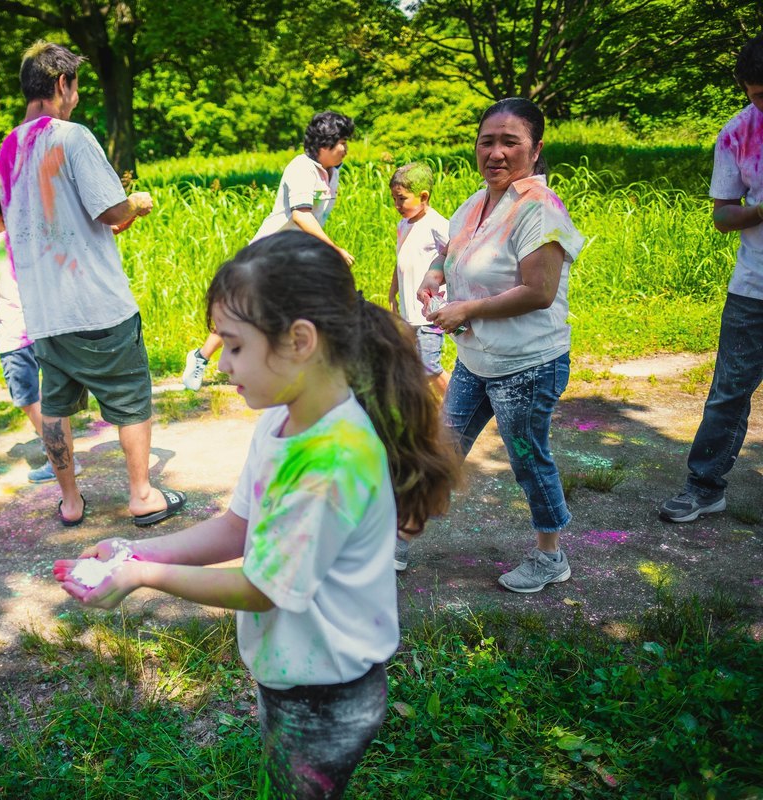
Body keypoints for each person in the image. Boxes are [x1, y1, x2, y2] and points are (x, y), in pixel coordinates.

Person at [55, 231, 460, 799]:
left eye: (235, 346)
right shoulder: (282, 419)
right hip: (296, 676)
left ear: (299, 341)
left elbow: (263, 587)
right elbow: (236, 527)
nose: (223, 365)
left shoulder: (331, 461)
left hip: (327, 695)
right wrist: (138, 551)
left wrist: (143, 578)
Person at [0, 40, 185, 527]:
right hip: (96, 306)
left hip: (43, 311)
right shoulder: (72, 136)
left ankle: (71, 502)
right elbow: (110, 209)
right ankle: (142, 495)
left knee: (56, 404)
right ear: (62, 83)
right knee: (130, 398)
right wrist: (137, 203)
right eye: (75, 87)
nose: (76, 97)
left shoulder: (9, 147)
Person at [416, 97, 585, 592]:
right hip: (477, 357)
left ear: (535, 150)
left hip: (528, 364)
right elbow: (453, 251)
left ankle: (551, 555)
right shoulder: (478, 202)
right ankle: (399, 534)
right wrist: (434, 273)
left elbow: (539, 290)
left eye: (510, 141)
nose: (496, 152)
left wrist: (465, 310)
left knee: (528, 458)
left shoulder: (540, 209)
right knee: (444, 446)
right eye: (487, 141)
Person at [659, 36, 763, 523]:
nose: (762, 104)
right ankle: (703, 486)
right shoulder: (737, 133)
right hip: (753, 289)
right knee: (729, 391)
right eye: (757, 94)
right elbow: (723, 216)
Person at [182, 111, 357, 391]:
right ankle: (201, 357)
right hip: (268, 254)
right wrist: (333, 248)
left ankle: (300, 365)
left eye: (346, 141)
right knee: (242, 310)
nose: (345, 148)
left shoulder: (332, 173)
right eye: (341, 142)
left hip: (297, 255)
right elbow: (302, 215)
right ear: (324, 144)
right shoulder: (301, 169)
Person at [0, 180, 82, 484]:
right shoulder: (35, 239)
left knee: (27, 398)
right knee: (49, 396)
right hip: (45, 329)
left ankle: (61, 458)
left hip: (14, 335)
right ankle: (64, 454)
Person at [388, 161, 451, 400]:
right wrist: (391, 293)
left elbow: (455, 257)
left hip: (428, 313)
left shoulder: (437, 225)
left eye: (401, 198)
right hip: (408, 313)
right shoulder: (403, 224)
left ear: (423, 196)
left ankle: (455, 409)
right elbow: (400, 259)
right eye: (394, 199)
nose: (397, 205)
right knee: (415, 366)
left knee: (429, 366)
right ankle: (431, 408)